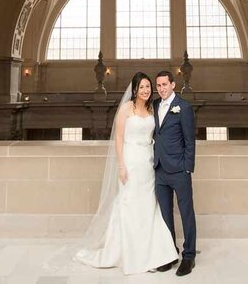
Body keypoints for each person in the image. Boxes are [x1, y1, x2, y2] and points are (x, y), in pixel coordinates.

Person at [75, 72, 179, 275]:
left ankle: (152, 253)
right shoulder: (125, 109)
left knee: (148, 206)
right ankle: (131, 254)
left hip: (148, 163)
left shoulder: (152, 108)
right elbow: (119, 138)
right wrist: (121, 165)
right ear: (134, 90)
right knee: (130, 204)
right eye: (142, 87)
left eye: (148, 87)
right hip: (130, 161)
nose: (146, 90)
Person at [153, 70, 197, 277]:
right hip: (159, 170)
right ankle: (171, 253)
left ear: (173, 84)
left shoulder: (184, 107)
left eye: (164, 84)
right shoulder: (154, 105)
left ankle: (189, 256)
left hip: (179, 170)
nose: (161, 88)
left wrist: (187, 167)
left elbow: (190, 141)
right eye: (158, 85)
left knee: (186, 213)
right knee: (165, 214)